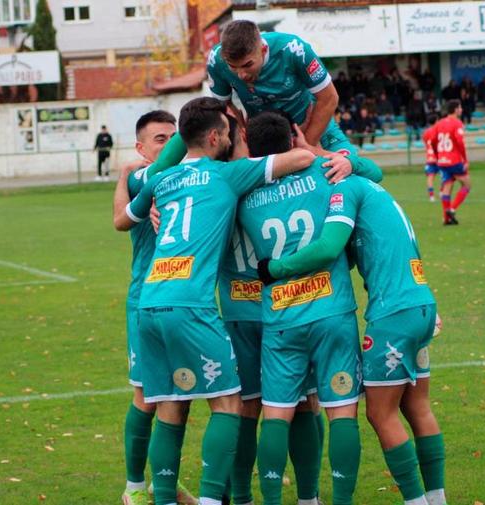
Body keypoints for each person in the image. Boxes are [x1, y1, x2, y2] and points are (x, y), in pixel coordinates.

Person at [114, 97, 316, 505]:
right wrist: (313, 147)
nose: (229, 137)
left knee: (170, 405)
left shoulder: (160, 179)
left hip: (150, 302)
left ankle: (161, 497)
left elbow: (122, 221)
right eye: (225, 131)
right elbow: (294, 160)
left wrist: (134, 187)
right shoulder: (227, 175)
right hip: (193, 304)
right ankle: (211, 500)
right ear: (214, 135)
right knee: (228, 404)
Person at [260, 174, 447, 505]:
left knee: (380, 414)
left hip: (393, 316)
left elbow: (329, 247)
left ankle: (417, 501)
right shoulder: (373, 187)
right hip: (420, 303)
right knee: (417, 405)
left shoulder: (345, 188)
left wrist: (274, 268)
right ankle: (437, 497)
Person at [237, 112, 371, 505]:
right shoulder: (323, 172)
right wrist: (322, 151)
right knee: (341, 411)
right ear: (293, 137)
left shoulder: (244, 193)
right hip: (332, 311)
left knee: (277, 414)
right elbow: (371, 176)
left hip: (280, 318)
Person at [113, 111, 199, 505]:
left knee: (179, 397)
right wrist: (122, 177)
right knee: (147, 397)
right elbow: (120, 218)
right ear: (141, 149)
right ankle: (133, 487)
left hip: (183, 302)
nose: (170, 146)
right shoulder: (141, 178)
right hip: (145, 303)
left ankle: (162, 483)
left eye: (174, 138)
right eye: (160, 139)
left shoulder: (193, 178)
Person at [207, 20, 356, 160]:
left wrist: (305, 145)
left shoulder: (294, 49)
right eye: (233, 67)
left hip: (313, 126)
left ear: (263, 50)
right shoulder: (216, 60)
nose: (241, 75)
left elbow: (329, 98)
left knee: (355, 169)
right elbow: (222, 107)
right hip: (265, 139)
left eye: (247, 65)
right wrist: (243, 133)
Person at [435, 100, 470, 225]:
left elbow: (434, 141)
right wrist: (465, 159)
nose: (461, 110)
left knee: (447, 188)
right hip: (454, 160)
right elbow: (460, 142)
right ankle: (452, 209)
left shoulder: (439, 123)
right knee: (466, 185)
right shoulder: (457, 123)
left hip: (442, 161)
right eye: (460, 107)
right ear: (455, 109)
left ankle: (446, 219)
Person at [422, 114, 439, 202]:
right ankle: (442, 192)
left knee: (430, 178)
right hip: (439, 157)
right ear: (436, 121)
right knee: (445, 176)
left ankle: (431, 196)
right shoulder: (438, 131)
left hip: (430, 158)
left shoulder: (425, 132)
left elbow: (425, 142)